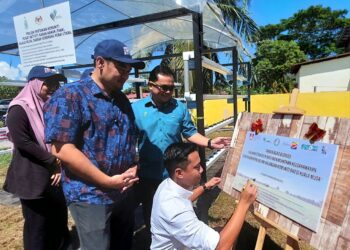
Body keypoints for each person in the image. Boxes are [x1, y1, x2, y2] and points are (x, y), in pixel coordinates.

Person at [44, 39, 145, 250]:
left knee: (123, 243)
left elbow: (129, 138)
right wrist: (108, 182)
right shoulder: (70, 95)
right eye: (121, 67)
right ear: (100, 63)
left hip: (123, 190)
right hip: (90, 195)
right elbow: (62, 149)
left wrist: (134, 165)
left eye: (129, 69)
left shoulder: (122, 99)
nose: (126, 74)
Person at [132, 65, 231, 235]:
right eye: (164, 87)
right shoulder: (136, 109)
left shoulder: (178, 108)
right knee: (153, 216)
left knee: (182, 212)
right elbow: (128, 140)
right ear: (151, 86)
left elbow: (190, 132)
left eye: (172, 88)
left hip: (176, 174)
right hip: (148, 175)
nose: (169, 92)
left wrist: (209, 142)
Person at [3, 65, 70, 250]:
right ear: (34, 83)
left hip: (54, 175)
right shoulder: (19, 108)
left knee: (57, 218)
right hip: (32, 177)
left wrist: (59, 164)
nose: (53, 87)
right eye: (48, 83)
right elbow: (23, 142)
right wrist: (53, 161)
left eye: (56, 83)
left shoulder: (48, 106)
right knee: (37, 226)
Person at [151, 142, 257, 250]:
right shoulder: (175, 210)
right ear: (179, 173)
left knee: (221, 231)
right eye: (196, 167)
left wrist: (205, 186)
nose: (201, 169)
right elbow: (221, 247)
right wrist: (244, 203)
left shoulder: (167, 185)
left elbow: (186, 199)